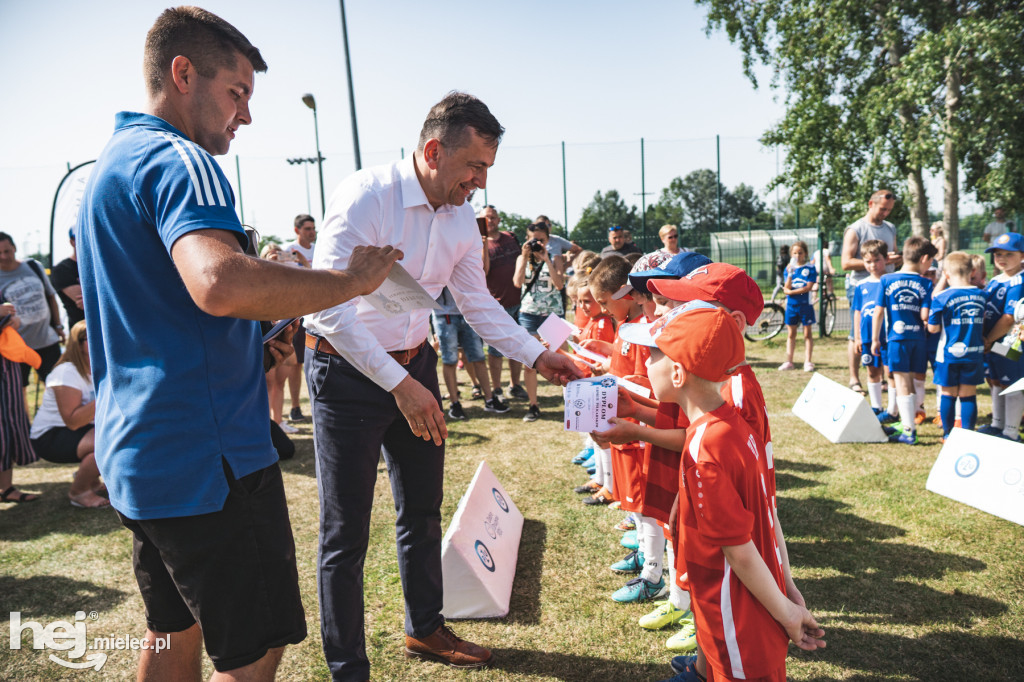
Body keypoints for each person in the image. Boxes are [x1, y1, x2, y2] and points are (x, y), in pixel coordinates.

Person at [76, 8, 401, 680]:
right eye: (238, 93)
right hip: (208, 465)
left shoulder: (110, 166)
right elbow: (218, 282)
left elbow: (162, 313)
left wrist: (248, 344)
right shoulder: (179, 158)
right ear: (183, 73)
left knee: (171, 633)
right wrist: (346, 281)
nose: (245, 115)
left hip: (141, 456)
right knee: (251, 653)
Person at [303, 91, 581, 680]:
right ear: (433, 150)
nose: (478, 184)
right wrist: (400, 383)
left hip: (414, 363)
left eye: (486, 170)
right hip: (346, 371)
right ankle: (347, 667)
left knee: (423, 510)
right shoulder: (366, 196)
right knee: (344, 531)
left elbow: (475, 302)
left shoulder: (460, 216)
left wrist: (537, 356)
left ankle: (424, 628)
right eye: (473, 167)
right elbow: (327, 309)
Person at [619, 301, 825, 682]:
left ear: (677, 372)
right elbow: (768, 513)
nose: (644, 363)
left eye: (651, 354)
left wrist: (787, 611)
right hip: (738, 608)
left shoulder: (705, 452)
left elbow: (741, 552)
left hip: (736, 617)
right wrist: (788, 587)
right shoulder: (729, 427)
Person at [28, 321, 107, 508]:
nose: (100, 340)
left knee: (114, 435)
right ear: (77, 344)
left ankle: (90, 481)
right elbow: (72, 422)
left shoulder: (98, 368)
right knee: (109, 441)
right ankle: (79, 492)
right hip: (50, 436)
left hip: (80, 430)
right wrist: (106, 394)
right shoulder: (66, 372)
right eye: (91, 338)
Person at [872, 236, 937, 445]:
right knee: (912, 381)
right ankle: (907, 422)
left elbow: (878, 312)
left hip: (897, 339)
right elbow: (926, 315)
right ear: (924, 258)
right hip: (918, 339)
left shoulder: (887, 280)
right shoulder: (926, 283)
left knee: (902, 383)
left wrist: (875, 339)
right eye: (930, 262)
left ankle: (908, 430)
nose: (930, 266)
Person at [841, 190, 900, 393]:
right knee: (856, 333)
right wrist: (876, 261)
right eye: (883, 209)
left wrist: (894, 260)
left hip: (886, 285)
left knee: (883, 330)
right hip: (861, 286)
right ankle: (854, 379)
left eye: (889, 210)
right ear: (870, 204)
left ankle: (881, 377)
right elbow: (846, 262)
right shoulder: (856, 229)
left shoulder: (890, 228)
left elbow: (895, 254)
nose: (886, 213)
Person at [927, 252, 986, 440]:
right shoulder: (981, 295)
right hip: (974, 352)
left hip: (948, 354)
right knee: (969, 395)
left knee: (948, 394)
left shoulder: (941, 297)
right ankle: (968, 435)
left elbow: (933, 329)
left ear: (946, 274)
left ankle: (948, 435)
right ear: (973, 271)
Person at [514, 221, 565, 422]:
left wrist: (547, 260)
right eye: (533, 239)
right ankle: (533, 405)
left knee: (561, 360)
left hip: (552, 314)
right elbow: (517, 282)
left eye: (541, 240)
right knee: (530, 362)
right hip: (529, 314)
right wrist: (525, 257)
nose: (537, 244)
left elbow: (560, 285)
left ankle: (569, 402)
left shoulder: (555, 257)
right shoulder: (522, 258)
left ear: (548, 239)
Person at [0, 232, 65, 389]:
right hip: (16, 347)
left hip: (47, 341)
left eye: (6, 251)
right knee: (17, 392)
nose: (3, 256)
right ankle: (22, 415)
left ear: (15, 248)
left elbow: (50, 296)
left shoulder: (33, 266)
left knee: (58, 387)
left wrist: (58, 326)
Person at [431, 286, 508, 419]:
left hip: (468, 312)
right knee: (449, 360)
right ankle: (455, 404)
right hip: (444, 314)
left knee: (478, 357)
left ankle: (490, 400)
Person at [481, 204, 526, 404]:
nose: (489, 221)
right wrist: (482, 244)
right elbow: (484, 271)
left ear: (499, 219)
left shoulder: (511, 237)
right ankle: (497, 388)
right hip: (497, 305)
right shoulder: (477, 244)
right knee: (496, 350)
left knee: (518, 347)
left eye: (492, 217)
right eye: (485, 219)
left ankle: (515, 385)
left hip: (521, 301)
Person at [981, 233, 1024, 439]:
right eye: (997, 254)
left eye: (1009, 254)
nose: (1001, 258)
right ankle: (997, 424)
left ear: (1022, 255)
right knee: (995, 380)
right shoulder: (996, 280)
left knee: (1011, 382)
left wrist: (988, 340)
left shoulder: (1019, 282)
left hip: (1010, 344)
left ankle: (1011, 431)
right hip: (993, 343)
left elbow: (1008, 318)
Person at [0, 307, 40, 504]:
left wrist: (11, 319)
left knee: (8, 427)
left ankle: (6, 488)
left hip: (7, 363)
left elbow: (13, 319)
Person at [852, 240, 894, 418]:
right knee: (872, 371)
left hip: (887, 337)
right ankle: (876, 407)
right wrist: (857, 337)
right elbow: (857, 312)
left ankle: (893, 410)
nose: (873, 265)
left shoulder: (891, 282)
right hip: (868, 337)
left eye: (877, 260)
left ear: (885, 259)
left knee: (890, 372)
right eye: (868, 262)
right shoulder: (861, 286)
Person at [282, 214, 316, 422]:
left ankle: (315, 404)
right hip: (295, 313)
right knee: (295, 364)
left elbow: (326, 280)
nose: (311, 232)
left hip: (316, 312)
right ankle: (295, 407)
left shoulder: (319, 249)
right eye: (307, 229)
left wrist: (305, 264)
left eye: (313, 229)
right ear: (297, 231)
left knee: (313, 362)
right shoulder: (288, 251)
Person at [780, 241, 817, 372]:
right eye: (795, 253)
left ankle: (808, 361)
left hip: (805, 305)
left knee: (807, 334)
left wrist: (791, 292)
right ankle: (789, 361)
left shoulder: (810, 268)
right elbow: (787, 287)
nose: (797, 255)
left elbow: (808, 287)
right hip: (791, 306)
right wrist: (790, 273)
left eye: (800, 253)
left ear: (805, 253)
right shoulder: (789, 268)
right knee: (791, 334)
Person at [50, 227, 85, 327]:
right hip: (82, 333)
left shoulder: (101, 264)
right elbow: (86, 303)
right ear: (72, 242)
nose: (86, 240)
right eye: (80, 237)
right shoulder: (62, 269)